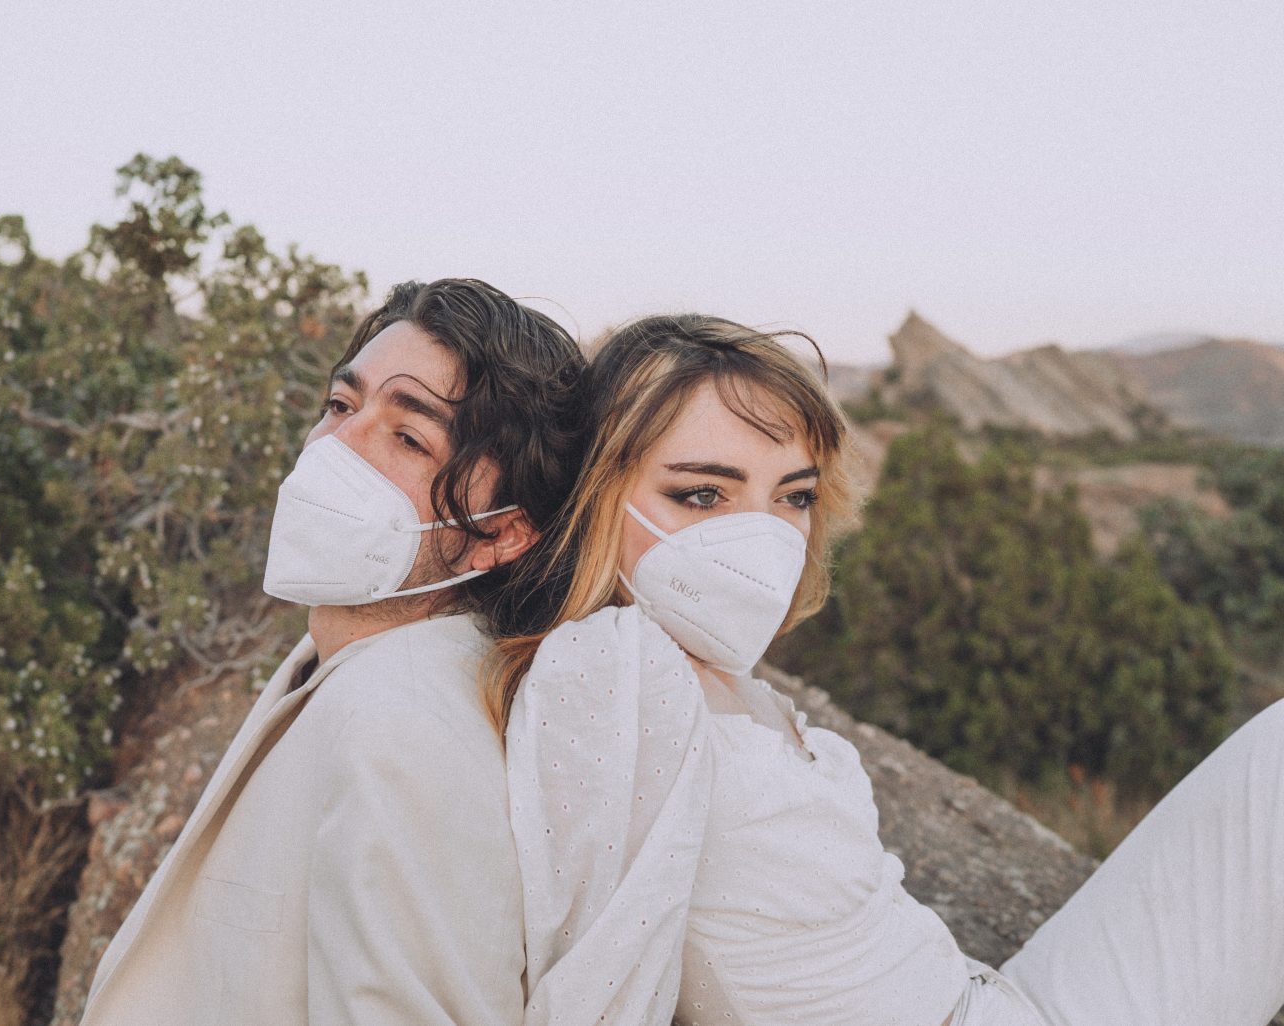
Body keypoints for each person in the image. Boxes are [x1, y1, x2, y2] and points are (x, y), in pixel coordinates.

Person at [489, 314, 1284, 1026]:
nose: (762, 536)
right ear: (597, 494)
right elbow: (591, 972)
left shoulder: (707, 666)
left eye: (794, 497)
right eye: (701, 495)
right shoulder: (609, 673)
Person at [79, 278, 589, 1025]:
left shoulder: (407, 729)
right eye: (342, 405)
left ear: (501, 533)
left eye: (408, 437)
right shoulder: (362, 669)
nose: (334, 445)